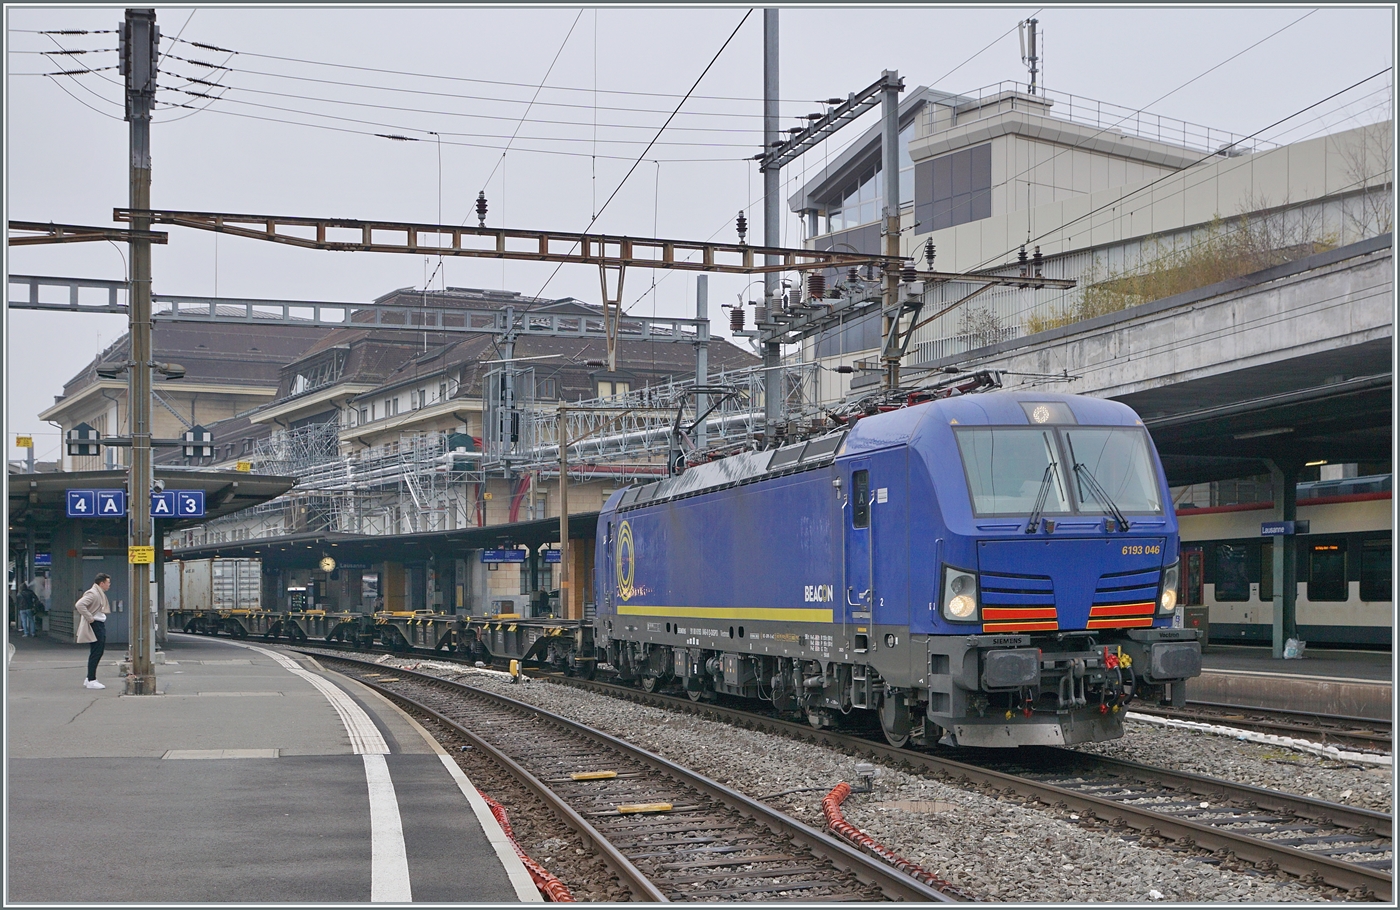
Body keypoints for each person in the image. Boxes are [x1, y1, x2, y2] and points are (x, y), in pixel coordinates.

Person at [75, 573, 112, 689]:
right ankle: (92, 679)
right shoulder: (93, 593)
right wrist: (90, 617)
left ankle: (89, 678)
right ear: (102, 583)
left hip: (97, 623)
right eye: (108, 583)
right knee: (97, 651)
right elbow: (79, 604)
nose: (109, 585)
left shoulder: (97, 593)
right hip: (95, 624)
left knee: (96, 651)